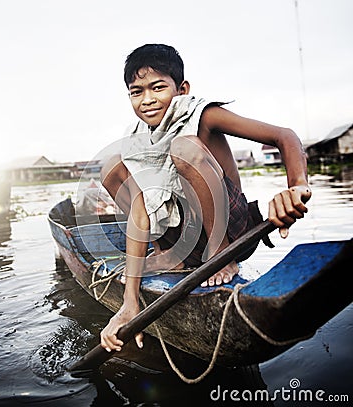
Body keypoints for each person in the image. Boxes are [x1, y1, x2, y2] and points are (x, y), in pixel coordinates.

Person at [99, 44, 312, 352]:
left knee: (184, 147)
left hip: (230, 231)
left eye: (158, 87)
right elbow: (140, 211)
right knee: (111, 167)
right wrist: (130, 301)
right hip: (184, 240)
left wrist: (297, 186)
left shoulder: (204, 114)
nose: (147, 100)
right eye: (136, 92)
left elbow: (285, 136)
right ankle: (166, 252)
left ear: (182, 88)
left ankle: (218, 255)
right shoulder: (137, 137)